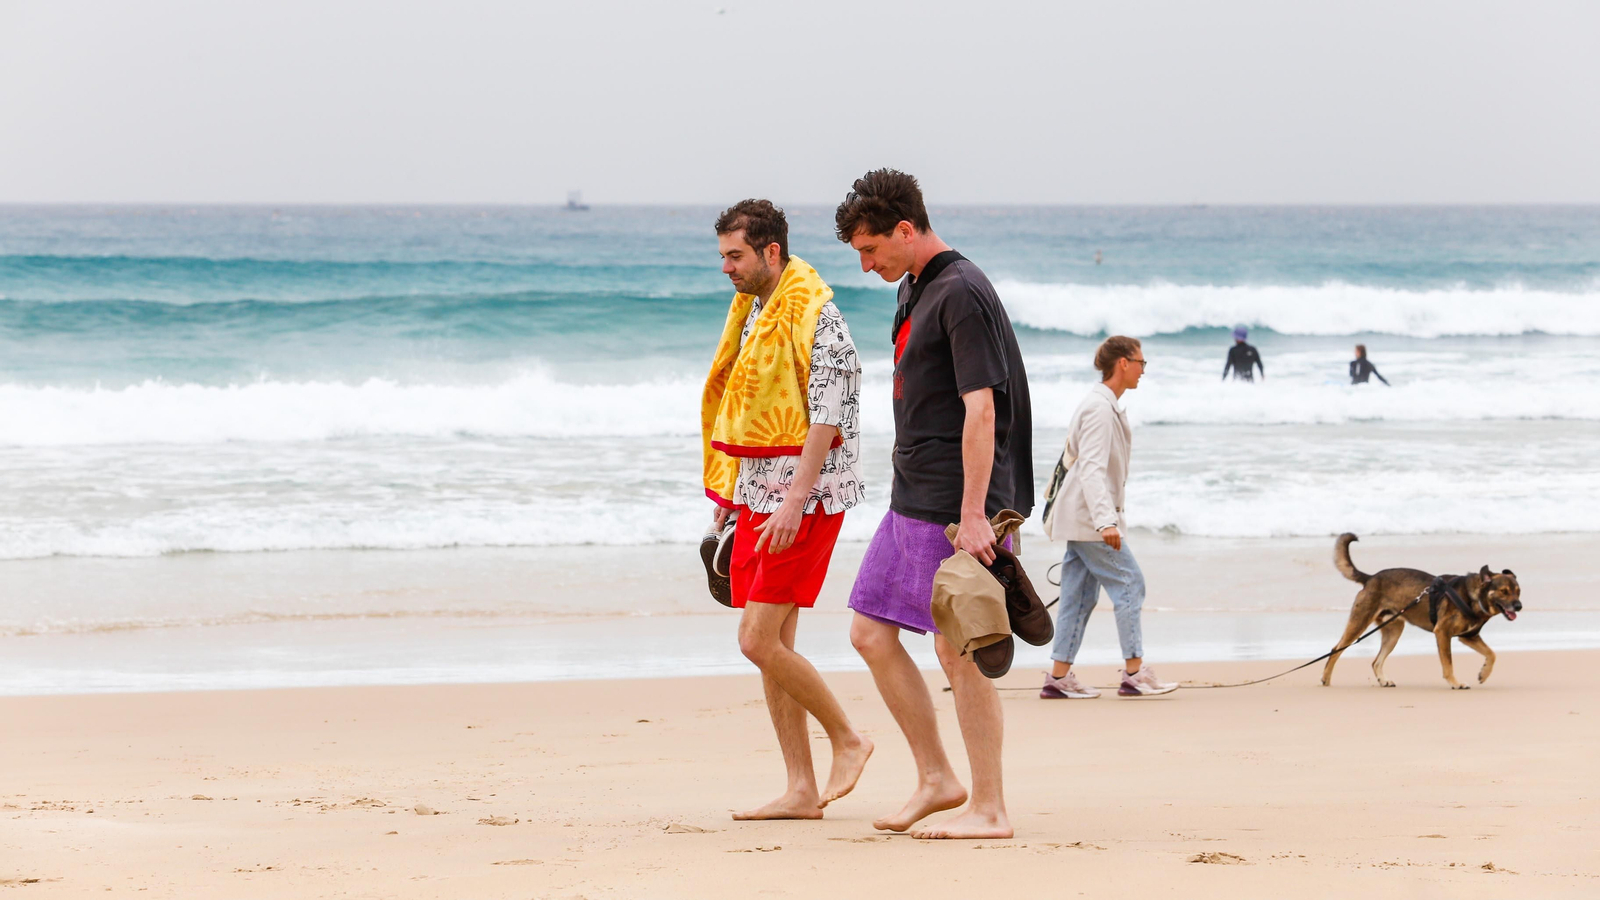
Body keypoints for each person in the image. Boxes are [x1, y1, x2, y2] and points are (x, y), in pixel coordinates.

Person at [834, 169, 1032, 840]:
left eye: (871, 250)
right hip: (913, 496)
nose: (866, 267)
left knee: (962, 650)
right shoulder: (917, 287)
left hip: (957, 503)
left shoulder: (961, 293)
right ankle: (938, 778)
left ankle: (991, 807)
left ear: (907, 230)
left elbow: (984, 411)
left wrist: (977, 514)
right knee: (869, 631)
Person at [701, 199, 873, 820]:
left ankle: (849, 739)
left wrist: (794, 502)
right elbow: (747, 407)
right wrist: (730, 494)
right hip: (758, 494)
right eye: (723, 255)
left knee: (755, 640)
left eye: (735, 255)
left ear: (771, 252)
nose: (726, 267)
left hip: (806, 497)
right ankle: (801, 789)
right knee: (775, 639)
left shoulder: (817, 315)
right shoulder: (751, 311)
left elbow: (830, 414)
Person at [1040, 337, 1177, 699]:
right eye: (1141, 363)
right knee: (1130, 584)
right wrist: (1105, 522)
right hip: (1089, 520)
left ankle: (1058, 677)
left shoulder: (1105, 405)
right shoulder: (1100, 409)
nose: (1143, 370)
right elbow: (1092, 471)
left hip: (1081, 517)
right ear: (1122, 363)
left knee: (1078, 597)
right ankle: (1135, 672)